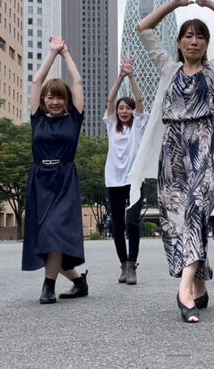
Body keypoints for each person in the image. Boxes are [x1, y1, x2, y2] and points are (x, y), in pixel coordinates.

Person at [127, 0, 214, 323]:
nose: (194, 41)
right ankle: (199, 282)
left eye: (201, 36)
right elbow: (144, 28)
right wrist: (174, 4)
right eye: (188, 36)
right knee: (174, 221)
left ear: (207, 43)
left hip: (205, 149)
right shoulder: (168, 68)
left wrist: (207, 3)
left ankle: (184, 291)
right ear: (178, 43)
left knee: (195, 210)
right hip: (172, 151)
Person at [23, 37, 88, 304]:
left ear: (67, 100)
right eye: (50, 97)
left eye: (60, 97)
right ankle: (79, 281)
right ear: (44, 100)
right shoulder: (37, 119)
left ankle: (47, 286)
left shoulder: (74, 119)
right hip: (40, 181)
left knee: (53, 232)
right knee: (48, 239)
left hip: (64, 180)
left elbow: (78, 82)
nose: (55, 102)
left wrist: (66, 53)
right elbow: (37, 81)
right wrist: (52, 53)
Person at [104, 58, 149, 285]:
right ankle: (123, 265)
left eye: (127, 108)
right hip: (113, 180)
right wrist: (119, 77)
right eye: (121, 108)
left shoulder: (138, 125)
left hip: (134, 180)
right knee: (117, 227)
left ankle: (132, 266)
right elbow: (110, 100)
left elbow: (140, 101)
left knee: (132, 223)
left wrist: (131, 77)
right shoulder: (112, 125)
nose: (124, 111)